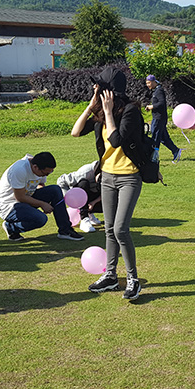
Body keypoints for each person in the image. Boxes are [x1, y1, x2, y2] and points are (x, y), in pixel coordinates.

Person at [71, 67, 145, 300]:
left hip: (129, 178)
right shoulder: (101, 113)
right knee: (110, 230)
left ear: (110, 91)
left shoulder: (131, 112)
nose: (95, 88)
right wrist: (92, 105)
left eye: (99, 86)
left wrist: (109, 112)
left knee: (121, 229)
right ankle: (111, 275)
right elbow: (75, 132)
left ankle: (133, 279)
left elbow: (115, 140)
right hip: (107, 178)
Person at [0, 152, 81, 242]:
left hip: (26, 198)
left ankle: (65, 230)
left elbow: (40, 184)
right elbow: (20, 197)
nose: (46, 176)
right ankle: (11, 228)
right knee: (40, 219)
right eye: (45, 173)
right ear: (35, 167)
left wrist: (46, 199)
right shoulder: (19, 170)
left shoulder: (38, 167)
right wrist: (42, 204)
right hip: (9, 205)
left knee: (55, 190)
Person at [56, 160, 103, 233]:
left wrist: (93, 203)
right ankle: (84, 218)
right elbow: (61, 181)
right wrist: (71, 201)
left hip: (93, 195)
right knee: (84, 183)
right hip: (78, 195)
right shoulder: (85, 173)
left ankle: (90, 213)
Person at [145, 74, 182, 163]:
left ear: (154, 82)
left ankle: (154, 156)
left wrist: (152, 106)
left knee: (155, 136)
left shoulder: (159, 91)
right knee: (163, 137)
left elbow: (162, 103)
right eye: (147, 83)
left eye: (149, 83)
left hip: (159, 118)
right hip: (158, 117)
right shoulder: (155, 91)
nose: (148, 85)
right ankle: (176, 150)